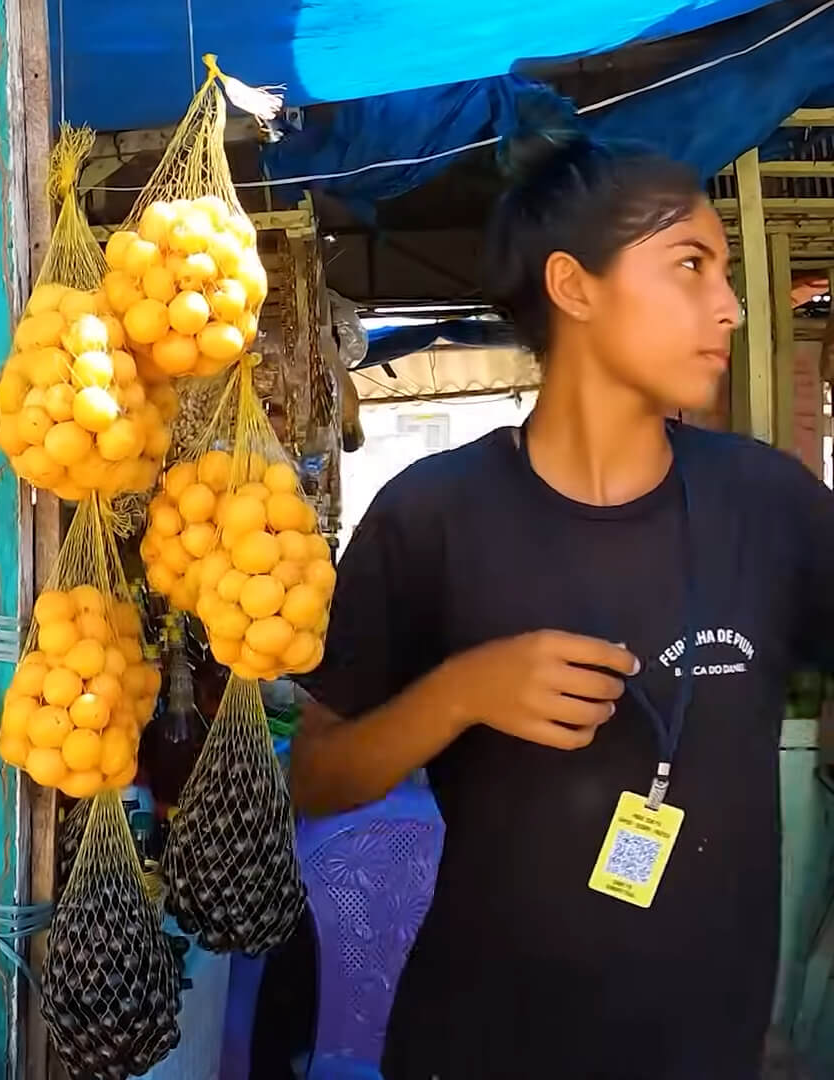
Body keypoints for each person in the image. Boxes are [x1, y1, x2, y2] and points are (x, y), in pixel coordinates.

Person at [291, 135, 834, 1079]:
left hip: (707, 1054)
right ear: (574, 287)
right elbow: (315, 780)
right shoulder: (434, 514)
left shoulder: (772, 505)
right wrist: (460, 693)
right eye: (690, 265)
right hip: (477, 1042)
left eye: (726, 272)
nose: (731, 307)